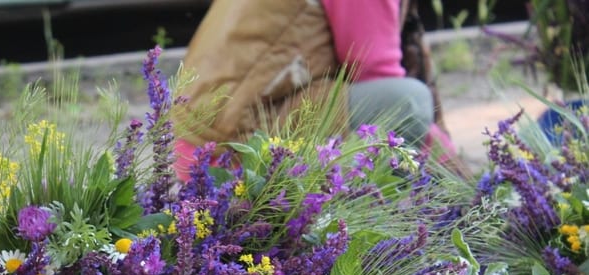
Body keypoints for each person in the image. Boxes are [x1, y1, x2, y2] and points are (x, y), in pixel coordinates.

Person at [173, 0, 465, 178]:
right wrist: (458, 179)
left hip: (198, 143)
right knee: (406, 103)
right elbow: (377, 75)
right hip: (233, 154)